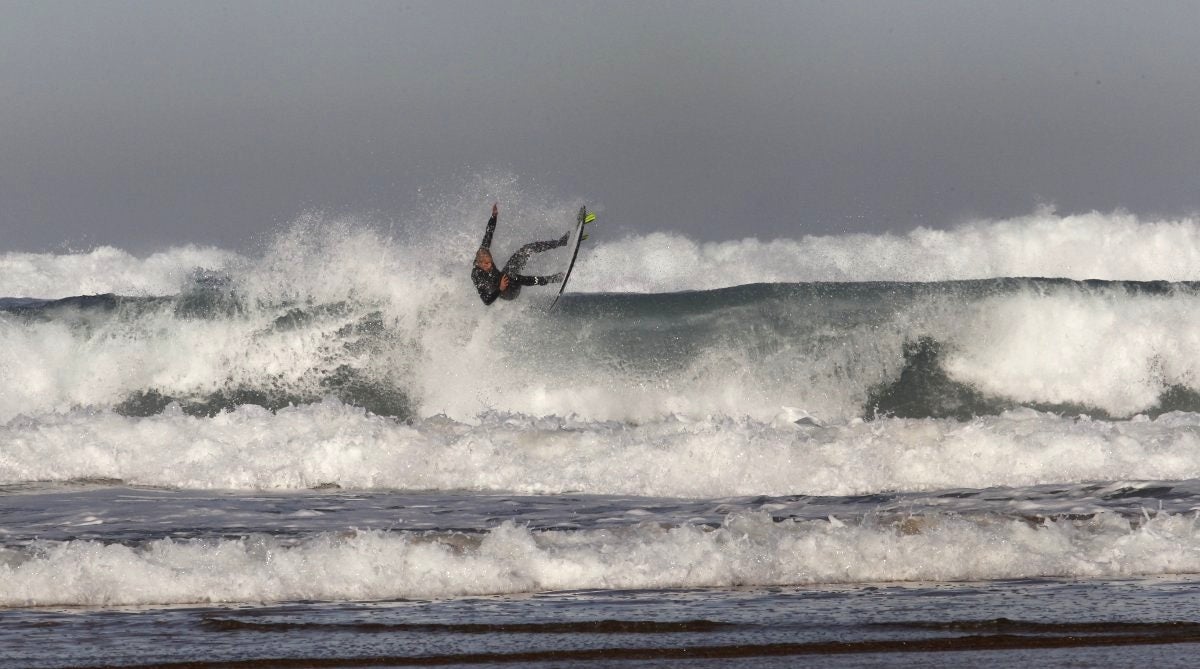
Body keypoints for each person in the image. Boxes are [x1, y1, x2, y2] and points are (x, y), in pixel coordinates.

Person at [471, 203, 568, 304]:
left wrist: (494, 216)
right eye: (486, 264)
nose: (490, 265)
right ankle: (552, 279)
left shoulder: (483, 252)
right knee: (512, 276)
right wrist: (500, 288)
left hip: (506, 276)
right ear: (479, 263)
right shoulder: (477, 275)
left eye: (490, 262)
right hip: (507, 292)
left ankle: (560, 242)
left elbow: (489, 233)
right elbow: (486, 301)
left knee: (526, 250)